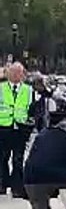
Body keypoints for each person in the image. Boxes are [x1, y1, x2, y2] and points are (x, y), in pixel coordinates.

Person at [0, 62, 36, 199]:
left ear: (22, 75)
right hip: (3, 127)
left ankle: (17, 187)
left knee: (18, 158)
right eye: (13, 72)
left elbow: (33, 109)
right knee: (3, 157)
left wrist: (30, 125)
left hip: (20, 129)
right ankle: (2, 184)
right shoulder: (1, 88)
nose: (15, 75)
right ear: (7, 74)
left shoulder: (28, 90)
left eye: (18, 73)